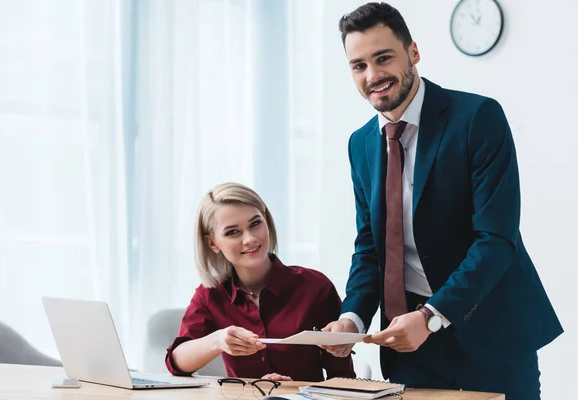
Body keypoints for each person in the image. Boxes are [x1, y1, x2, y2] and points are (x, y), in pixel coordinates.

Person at [322, 3, 563, 399]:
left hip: (491, 332)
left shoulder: (478, 118)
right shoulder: (360, 144)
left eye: (383, 58)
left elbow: (496, 238)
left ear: (413, 52)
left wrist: (432, 316)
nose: (373, 75)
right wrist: (352, 318)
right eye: (358, 65)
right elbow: (370, 247)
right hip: (410, 347)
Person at [165, 182, 355, 382]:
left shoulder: (315, 288)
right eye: (233, 232)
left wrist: (295, 391)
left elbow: (342, 377)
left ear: (267, 221)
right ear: (212, 243)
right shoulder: (210, 294)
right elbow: (176, 364)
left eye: (255, 223)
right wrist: (218, 340)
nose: (250, 239)